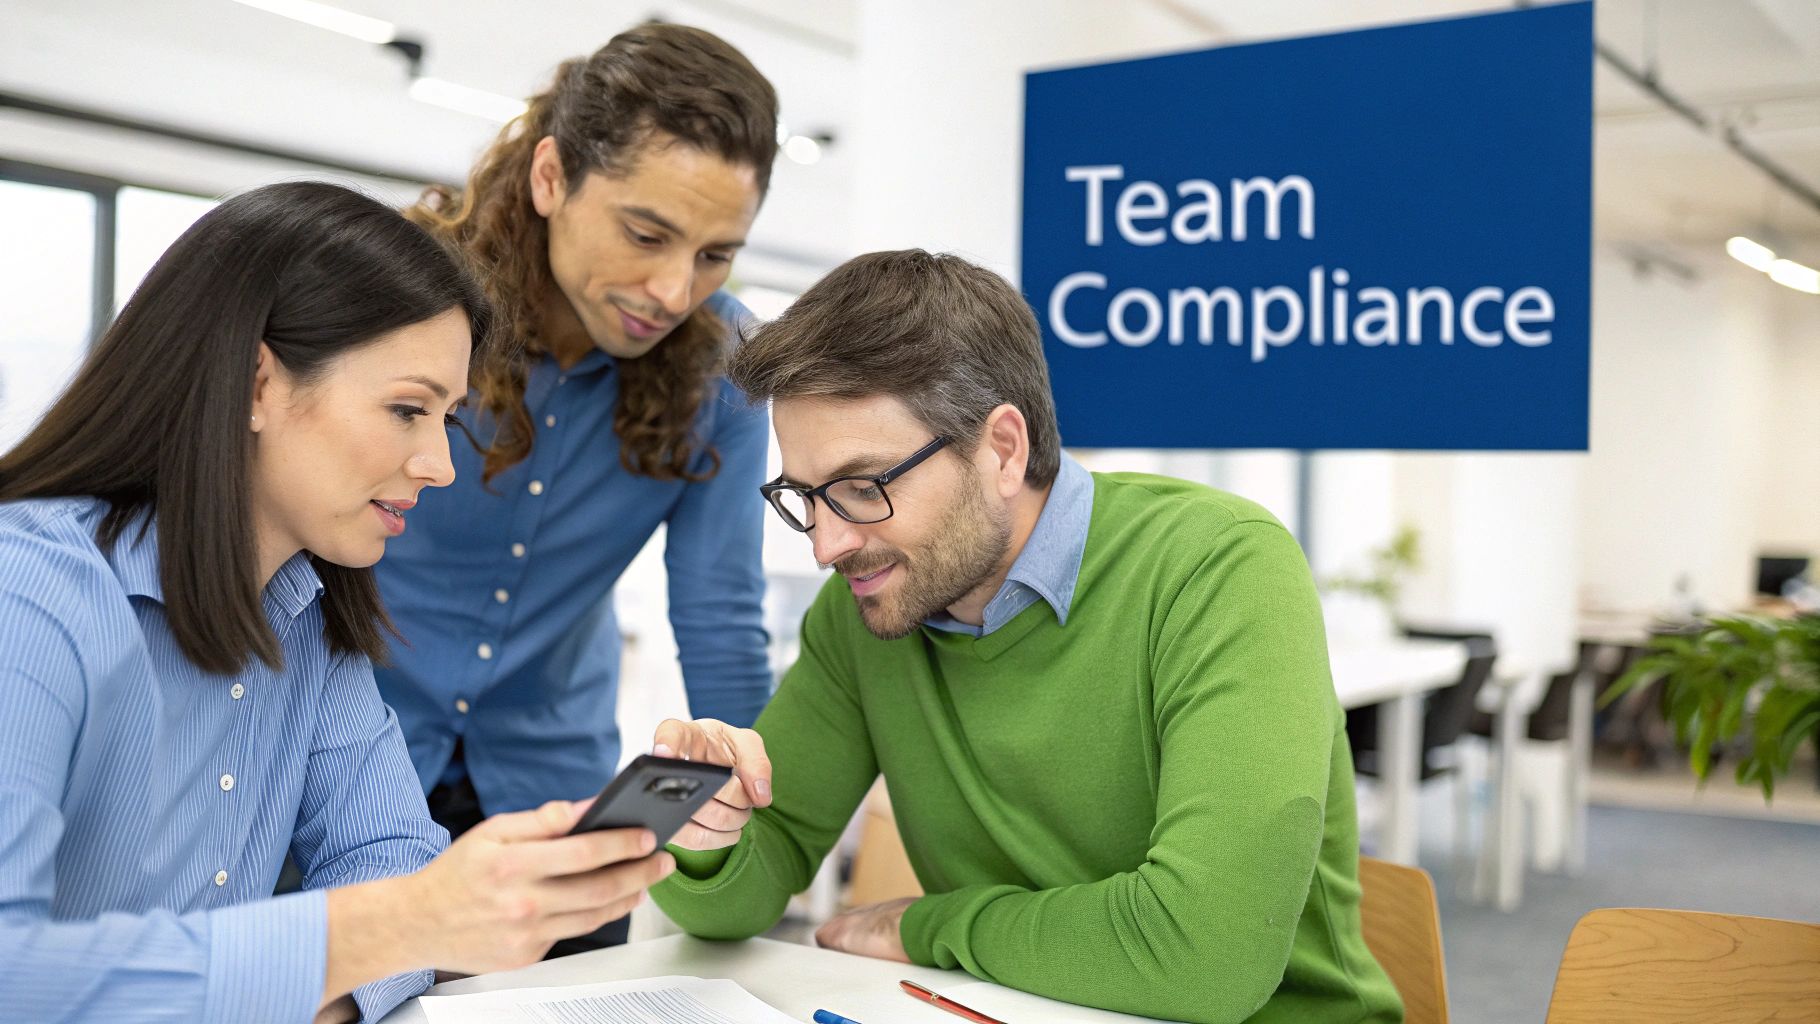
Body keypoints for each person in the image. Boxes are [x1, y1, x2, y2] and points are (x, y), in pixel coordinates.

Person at [645, 250, 1406, 1024]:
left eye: (862, 488)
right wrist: (706, 829)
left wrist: (927, 926)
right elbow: (742, 890)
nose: (826, 545)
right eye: (805, 496)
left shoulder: (1218, 565)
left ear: (1003, 449)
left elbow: (1203, 958)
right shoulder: (865, 610)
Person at [0, 182, 676, 1024]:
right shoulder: (27, 596)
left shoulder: (312, 622)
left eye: (448, 420)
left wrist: (331, 981)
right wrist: (386, 930)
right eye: (405, 410)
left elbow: (390, 851)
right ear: (256, 384)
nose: (440, 465)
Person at [377, 25, 780, 953]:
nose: (675, 288)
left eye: (716, 254)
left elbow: (721, 615)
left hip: (557, 796)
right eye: (647, 234)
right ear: (551, 178)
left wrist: (751, 808)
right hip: (349, 776)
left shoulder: (723, 369)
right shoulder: (404, 299)